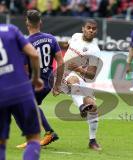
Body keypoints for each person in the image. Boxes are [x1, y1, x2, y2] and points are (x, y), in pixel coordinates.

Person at [16, 10, 64, 149]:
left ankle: (47, 133)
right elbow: (60, 62)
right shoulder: (51, 38)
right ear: (40, 22)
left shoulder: (26, 43)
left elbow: (24, 68)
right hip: (48, 82)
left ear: (27, 23)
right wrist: (58, 84)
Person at [0, 23, 43, 160]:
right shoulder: (11, 29)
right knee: (34, 139)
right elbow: (34, 55)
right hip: (21, 90)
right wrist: (35, 78)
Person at [59, 19, 101, 151]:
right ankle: (82, 106)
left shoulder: (95, 50)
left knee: (93, 107)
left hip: (79, 76)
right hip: (65, 74)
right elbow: (67, 45)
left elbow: (91, 75)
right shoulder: (75, 37)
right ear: (83, 28)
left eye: (93, 29)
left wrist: (78, 69)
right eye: (88, 27)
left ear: (96, 31)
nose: (91, 30)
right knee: (72, 80)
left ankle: (92, 141)